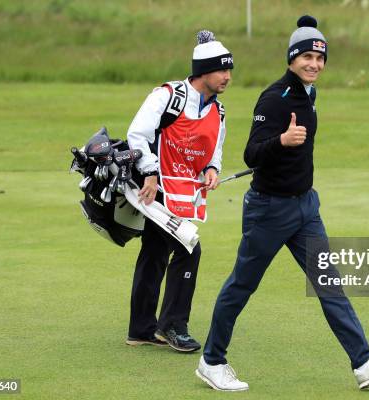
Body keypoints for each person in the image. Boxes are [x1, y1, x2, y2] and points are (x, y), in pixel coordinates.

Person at [195, 16, 369, 390]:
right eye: (307, 57)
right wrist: (282, 140)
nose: (314, 64)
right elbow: (251, 154)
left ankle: (363, 363)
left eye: (320, 58)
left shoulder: (309, 93)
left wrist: (291, 155)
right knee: (241, 286)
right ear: (292, 59)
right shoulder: (274, 98)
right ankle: (212, 361)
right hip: (269, 211)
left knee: (329, 284)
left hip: (305, 208)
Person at [125, 30, 233, 352]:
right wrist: (148, 172)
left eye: (229, 70)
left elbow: (214, 148)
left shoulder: (219, 111)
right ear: (203, 72)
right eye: (221, 70)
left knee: (155, 253)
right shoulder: (168, 96)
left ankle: (141, 329)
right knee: (189, 248)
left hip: (183, 192)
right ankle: (172, 326)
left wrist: (212, 170)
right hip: (154, 189)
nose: (227, 77)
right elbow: (137, 134)